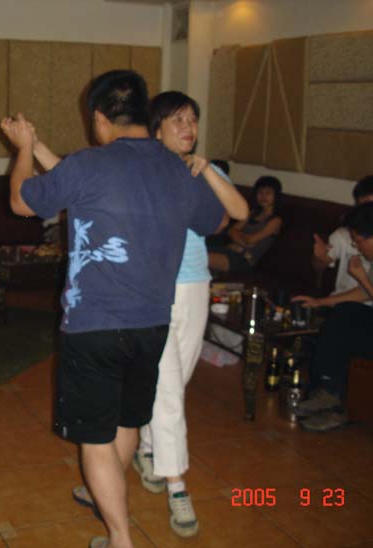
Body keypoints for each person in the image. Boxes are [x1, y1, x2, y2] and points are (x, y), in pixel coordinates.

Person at [1, 70, 226, 548]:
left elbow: (21, 201)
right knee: (128, 422)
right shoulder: (175, 168)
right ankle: (113, 503)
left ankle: (121, 539)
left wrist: (23, 148)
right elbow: (216, 219)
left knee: (95, 438)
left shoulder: (90, 163)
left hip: (95, 324)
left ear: (100, 119)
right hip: (153, 323)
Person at [129, 91, 248, 538]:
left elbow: (239, 211)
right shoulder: (143, 169)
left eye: (193, 120)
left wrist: (208, 171)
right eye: (178, 120)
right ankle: (177, 485)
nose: (188, 128)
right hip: (153, 287)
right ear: (156, 127)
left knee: (174, 383)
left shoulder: (203, 170)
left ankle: (147, 447)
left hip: (195, 283)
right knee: (167, 389)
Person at [292, 202, 373, 432]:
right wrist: (321, 302)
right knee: (344, 313)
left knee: (349, 337)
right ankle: (326, 391)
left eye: (358, 241)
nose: (356, 247)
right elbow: (365, 293)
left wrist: (363, 278)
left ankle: (337, 407)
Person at [312, 175, 373, 296]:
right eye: (361, 206)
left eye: (371, 206)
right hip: (340, 300)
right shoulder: (344, 235)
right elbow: (319, 269)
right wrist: (319, 258)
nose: (365, 212)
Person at [207, 175, 283, 273]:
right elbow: (231, 231)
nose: (263, 196)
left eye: (268, 193)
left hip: (244, 259)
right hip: (228, 250)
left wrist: (239, 236)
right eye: (260, 192)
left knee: (200, 258)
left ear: (276, 195)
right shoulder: (252, 213)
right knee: (196, 252)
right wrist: (245, 241)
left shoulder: (276, 220)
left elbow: (251, 240)